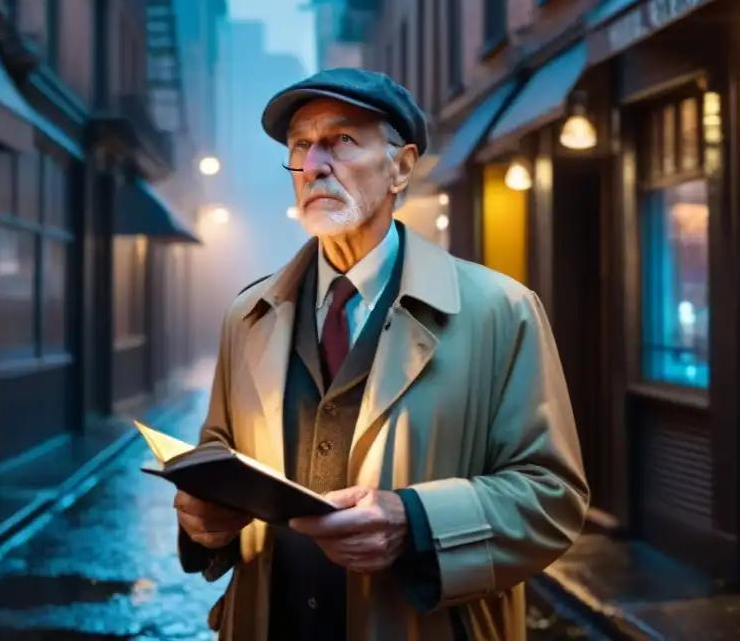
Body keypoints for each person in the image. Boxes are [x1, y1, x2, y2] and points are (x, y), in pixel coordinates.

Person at [173, 68, 589, 640]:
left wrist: (413, 522)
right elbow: (217, 453)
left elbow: (552, 498)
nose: (315, 164)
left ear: (401, 166)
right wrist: (203, 520)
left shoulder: (502, 310)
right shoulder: (246, 318)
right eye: (301, 145)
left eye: (342, 140)